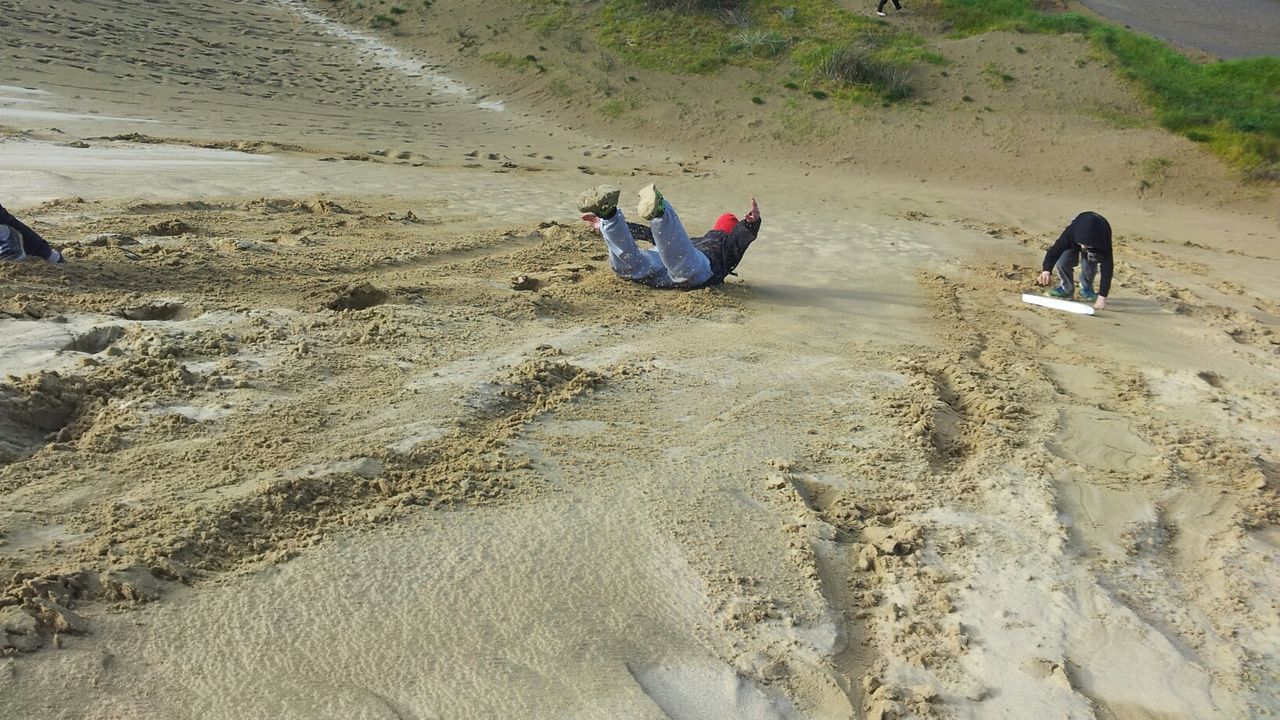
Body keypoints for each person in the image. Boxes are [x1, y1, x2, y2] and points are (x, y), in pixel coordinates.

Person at [577, 183, 761, 290]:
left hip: (656, 264)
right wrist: (751, 224)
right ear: (730, 230)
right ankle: (660, 211)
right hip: (693, 272)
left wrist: (604, 226)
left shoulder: (692, 241)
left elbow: (649, 234)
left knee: (628, 265)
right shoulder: (725, 246)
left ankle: (609, 216)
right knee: (681, 262)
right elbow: (739, 242)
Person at [1036, 211, 1112, 310]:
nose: (1084, 247)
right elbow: (1054, 251)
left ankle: (1086, 288)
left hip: (1097, 238)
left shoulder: (1102, 240)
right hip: (1076, 236)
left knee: (1090, 263)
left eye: (1087, 245)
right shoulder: (1070, 234)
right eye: (1082, 244)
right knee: (1063, 262)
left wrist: (1102, 298)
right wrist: (1046, 270)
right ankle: (1066, 289)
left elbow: (1107, 269)